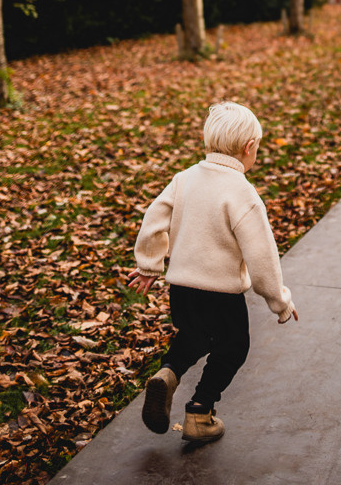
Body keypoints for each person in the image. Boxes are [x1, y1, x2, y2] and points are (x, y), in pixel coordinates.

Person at [127, 100, 298, 444]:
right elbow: (262, 256)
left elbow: (154, 218)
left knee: (194, 336)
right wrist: (279, 301)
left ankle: (168, 373)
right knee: (233, 348)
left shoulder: (184, 179)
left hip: (182, 288)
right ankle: (199, 411)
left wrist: (149, 264)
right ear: (249, 147)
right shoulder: (242, 193)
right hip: (221, 294)